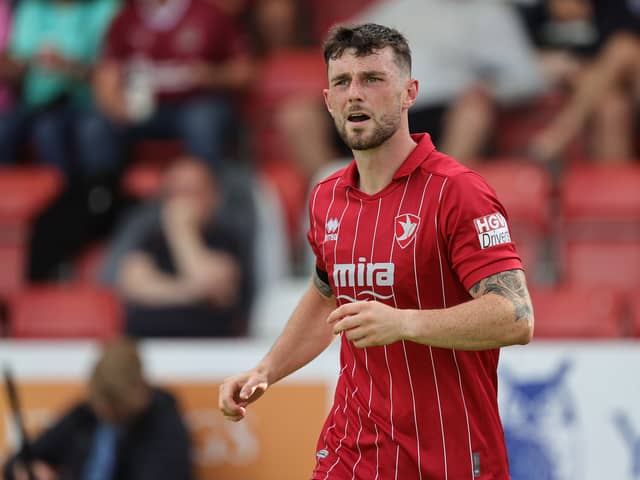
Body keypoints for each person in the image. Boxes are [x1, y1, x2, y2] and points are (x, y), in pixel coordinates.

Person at [219, 23, 534, 478]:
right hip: (353, 451)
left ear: (410, 93)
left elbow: (516, 315)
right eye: (342, 82)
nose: (355, 94)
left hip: (451, 456)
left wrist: (404, 322)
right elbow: (327, 295)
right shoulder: (326, 196)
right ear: (328, 101)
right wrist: (265, 369)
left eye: (372, 79)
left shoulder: (458, 192)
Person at [78, 0, 253, 181]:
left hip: (197, 103)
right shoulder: (126, 18)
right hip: (141, 108)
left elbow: (245, 71)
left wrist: (212, 75)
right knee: (96, 125)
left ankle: (205, 195)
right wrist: (116, 104)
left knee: (201, 121)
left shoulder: (209, 13)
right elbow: (107, 73)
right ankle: (102, 198)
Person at [3, 337, 193, 480]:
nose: (103, 411)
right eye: (99, 402)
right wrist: (28, 470)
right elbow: (18, 461)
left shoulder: (163, 422)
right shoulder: (86, 414)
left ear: (141, 389)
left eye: (113, 404)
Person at [115, 156, 254, 337]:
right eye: (175, 193)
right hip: (149, 343)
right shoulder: (152, 239)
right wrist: (191, 292)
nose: (182, 203)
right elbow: (133, 286)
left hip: (210, 349)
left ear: (214, 197)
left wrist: (181, 230)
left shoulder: (228, 238)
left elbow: (210, 283)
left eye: (192, 192)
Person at [0, 0, 119, 178]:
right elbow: (18, 61)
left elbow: (109, 68)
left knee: (54, 129)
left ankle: (86, 197)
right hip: (38, 103)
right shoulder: (33, 8)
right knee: (8, 129)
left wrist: (67, 65)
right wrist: (17, 64)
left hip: (88, 103)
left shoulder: (105, 7)